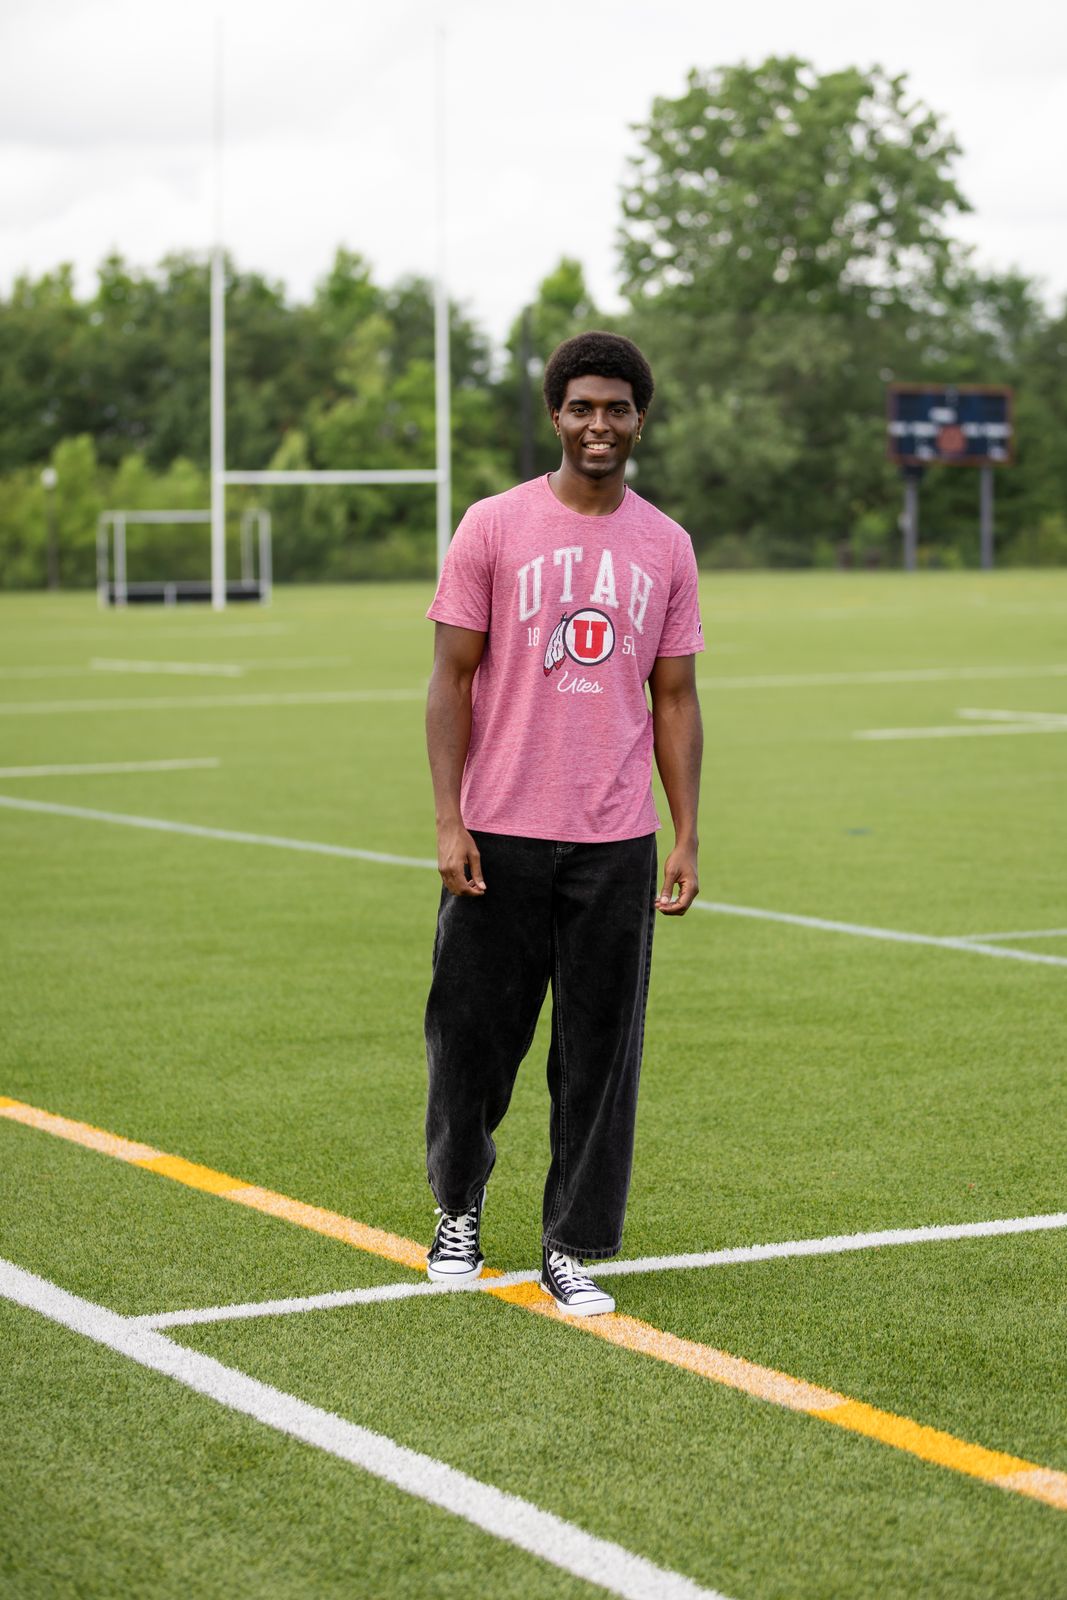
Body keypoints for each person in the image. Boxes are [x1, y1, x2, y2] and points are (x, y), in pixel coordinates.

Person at [423, 330, 703, 1316]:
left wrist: (684, 831)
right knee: (470, 1040)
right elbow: (450, 678)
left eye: (616, 408)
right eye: (581, 406)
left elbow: (674, 697)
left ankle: (570, 1241)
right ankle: (457, 1207)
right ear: (554, 415)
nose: (598, 424)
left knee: (598, 1052)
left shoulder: (665, 545)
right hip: (498, 832)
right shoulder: (494, 527)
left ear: (638, 419)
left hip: (614, 840)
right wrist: (449, 819)